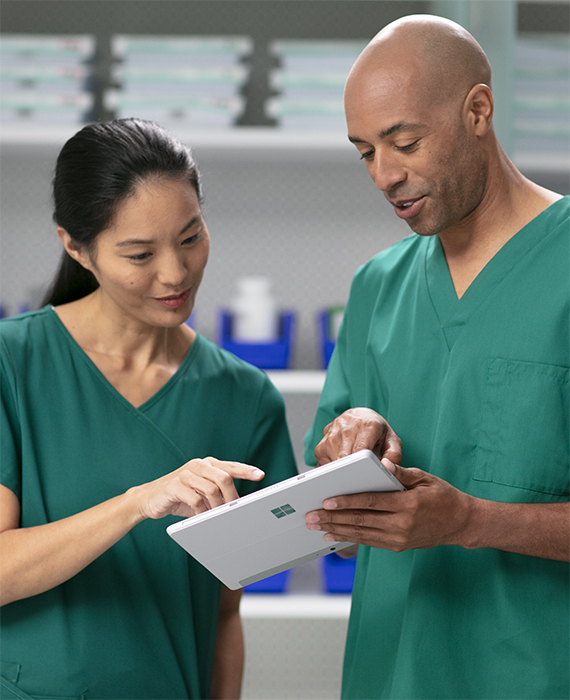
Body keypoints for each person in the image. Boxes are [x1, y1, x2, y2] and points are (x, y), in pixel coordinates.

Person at [304, 15, 569, 700]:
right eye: (364, 152)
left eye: (404, 141)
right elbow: (331, 507)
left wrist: (473, 521)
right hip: (388, 673)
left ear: (477, 110)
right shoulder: (376, 286)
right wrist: (351, 436)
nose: (385, 175)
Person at [0, 118, 297, 700]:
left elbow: (222, 616)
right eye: (139, 254)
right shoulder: (13, 365)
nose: (176, 273)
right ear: (75, 247)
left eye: (190, 238)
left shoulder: (243, 396)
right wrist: (138, 503)